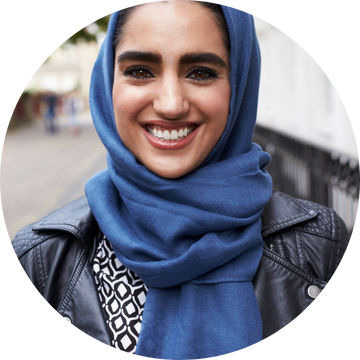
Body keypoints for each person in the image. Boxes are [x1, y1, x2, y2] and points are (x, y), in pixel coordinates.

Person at [9, 1, 351, 359]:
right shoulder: (41, 259)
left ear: (240, 83)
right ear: (107, 82)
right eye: (140, 71)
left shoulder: (319, 245)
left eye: (200, 72)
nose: (171, 105)